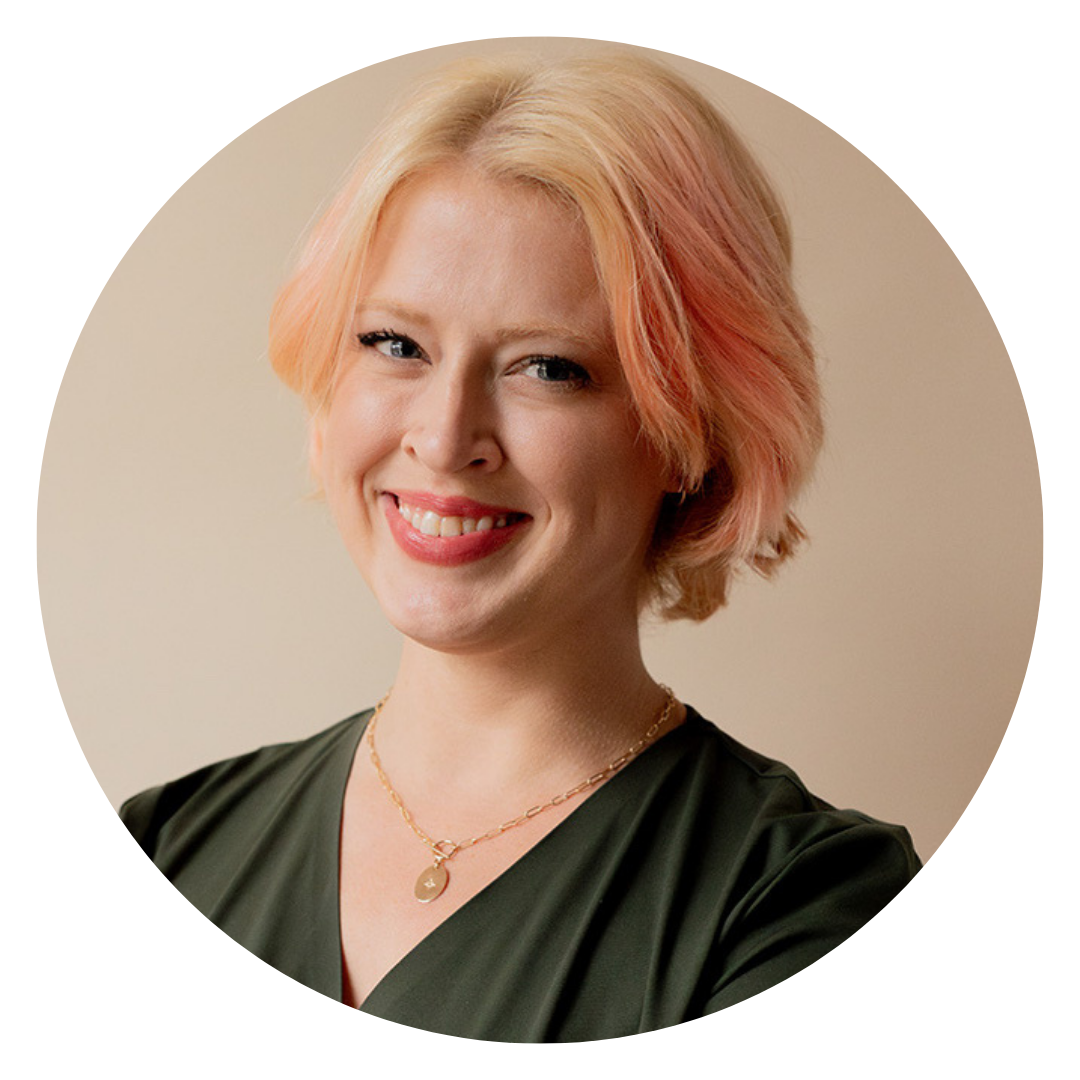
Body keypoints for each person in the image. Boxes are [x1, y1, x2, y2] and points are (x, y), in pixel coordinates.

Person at [120, 52, 920, 1042]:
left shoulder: (801, 906)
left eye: (549, 367)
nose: (447, 438)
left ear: (689, 434)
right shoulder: (163, 846)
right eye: (395, 345)